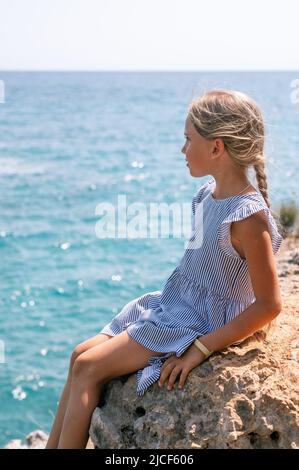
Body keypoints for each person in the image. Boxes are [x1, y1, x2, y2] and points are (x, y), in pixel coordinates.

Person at [46, 89, 283, 449]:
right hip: (174, 303)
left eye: (188, 140)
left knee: (88, 369)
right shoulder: (206, 195)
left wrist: (201, 348)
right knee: (78, 354)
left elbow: (269, 305)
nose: (182, 150)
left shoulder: (247, 218)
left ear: (217, 147)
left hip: (197, 320)